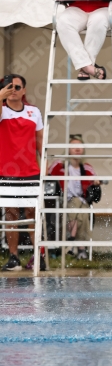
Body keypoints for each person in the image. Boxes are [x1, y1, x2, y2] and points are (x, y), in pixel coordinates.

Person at [0, 74, 45, 272]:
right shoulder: (2, 110)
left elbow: (41, 142)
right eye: (9, 87)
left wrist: (45, 167)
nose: (14, 90)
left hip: (31, 172)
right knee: (11, 215)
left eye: (17, 87)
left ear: (24, 90)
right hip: (6, 171)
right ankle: (13, 257)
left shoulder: (33, 111)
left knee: (33, 214)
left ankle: (38, 256)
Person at [48, 135, 100, 259]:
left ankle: (72, 240)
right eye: (73, 146)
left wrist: (97, 182)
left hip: (81, 203)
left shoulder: (86, 168)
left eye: (79, 146)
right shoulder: (59, 166)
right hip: (61, 202)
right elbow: (47, 176)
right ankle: (81, 249)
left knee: (79, 205)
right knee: (78, 206)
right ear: (68, 149)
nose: (77, 149)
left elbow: (96, 181)